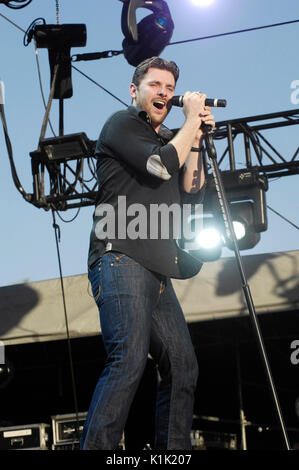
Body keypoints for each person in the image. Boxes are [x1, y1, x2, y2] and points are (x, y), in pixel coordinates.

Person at [80, 56, 215, 450]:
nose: (165, 94)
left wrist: (197, 139)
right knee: (129, 358)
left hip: (158, 270)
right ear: (134, 90)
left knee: (183, 365)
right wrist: (190, 121)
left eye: (170, 89)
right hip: (120, 257)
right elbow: (159, 167)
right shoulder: (121, 124)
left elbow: (191, 185)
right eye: (156, 85)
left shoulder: (172, 138)